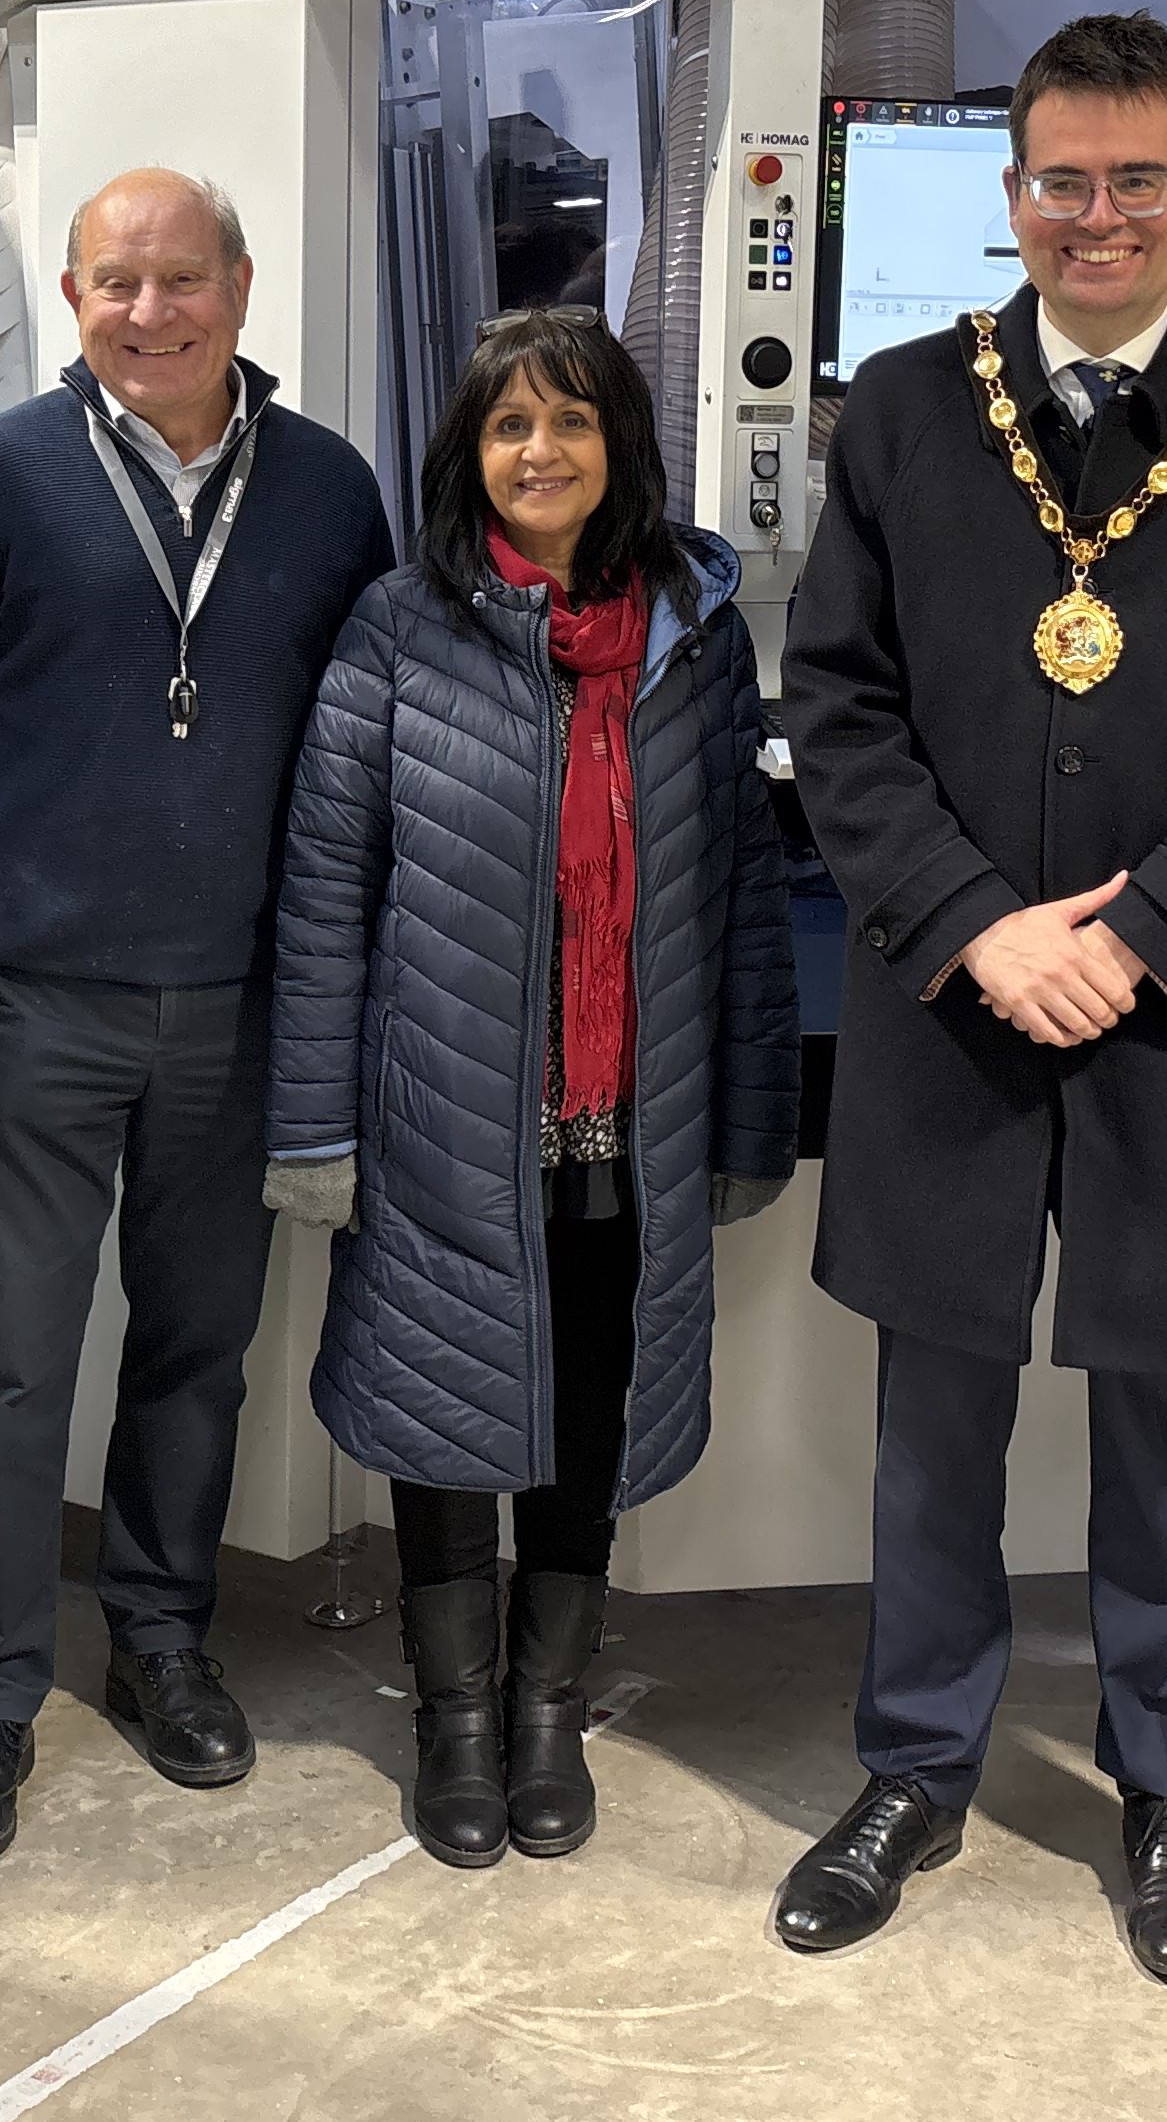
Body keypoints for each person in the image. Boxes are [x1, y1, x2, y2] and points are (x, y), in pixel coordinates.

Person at [773, 10, 1167, 1977]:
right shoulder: (896, 409)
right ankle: (915, 1764)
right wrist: (979, 923)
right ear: (1012, 193)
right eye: (1063, 180)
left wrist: (1132, 935)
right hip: (948, 1003)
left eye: (1138, 181)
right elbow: (837, 712)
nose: (1098, 216)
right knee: (932, 1406)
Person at [0, 166, 395, 1870]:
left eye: (181, 281)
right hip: (38, 1004)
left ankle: (160, 1639)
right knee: (9, 1362)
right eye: (114, 287)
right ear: (71, 302)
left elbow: (367, 743)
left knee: (196, 1352)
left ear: (241, 281)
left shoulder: (324, 490)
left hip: (244, 1010)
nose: (150, 315)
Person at [265, 308, 799, 1866]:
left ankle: (550, 1710)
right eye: (511, 427)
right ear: (470, 454)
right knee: (444, 1411)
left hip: (634, 1105)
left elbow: (745, 895)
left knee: (588, 1399)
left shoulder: (698, 626)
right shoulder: (398, 627)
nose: (542, 452)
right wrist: (317, 1127)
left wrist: (753, 1109)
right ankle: (455, 1719)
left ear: (620, 443)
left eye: (572, 422)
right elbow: (326, 886)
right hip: (445, 1111)